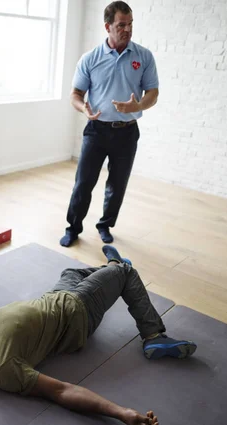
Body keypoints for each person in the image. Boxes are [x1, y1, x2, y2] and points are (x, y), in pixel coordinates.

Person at [0, 245, 197, 425]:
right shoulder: (1, 367)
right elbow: (61, 391)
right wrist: (122, 413)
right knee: (126, 273)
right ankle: (153, 335)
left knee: (71, 272)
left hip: (55, 295)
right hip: (77, 314)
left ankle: (109, 266)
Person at [60, 1, 159, 248]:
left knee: (117, 185)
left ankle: (105, 225)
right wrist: (84, 108)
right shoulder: (90, 58)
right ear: (108, 26)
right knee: (84, 182)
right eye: (121, 25)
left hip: (127, 132)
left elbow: (153, 93)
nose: (127, 29)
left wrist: (137, 106)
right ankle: (73, 227)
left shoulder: (143, 56)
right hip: (96, 130)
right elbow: (75, 94)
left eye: (130, 24)